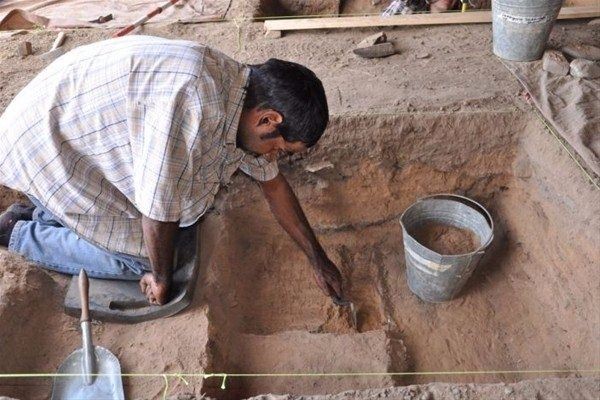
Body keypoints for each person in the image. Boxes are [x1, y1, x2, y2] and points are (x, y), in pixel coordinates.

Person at [0, 35, 344, 306]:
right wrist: (160, 278)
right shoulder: (193, 107)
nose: (275, 156)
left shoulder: (239, 92)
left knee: (180, 225)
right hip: (45, 144)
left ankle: (44, 212)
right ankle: (16, 231)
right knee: (141, 258)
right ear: (268, 119)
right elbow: (158, 211)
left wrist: (318, 257)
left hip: (81, 136)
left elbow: (274, 186)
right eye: (280, 148)